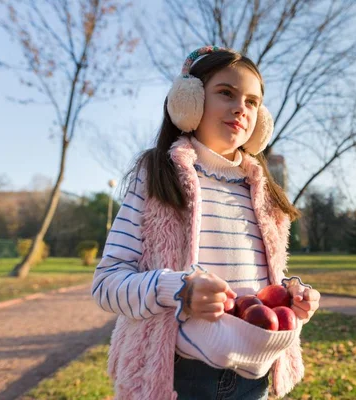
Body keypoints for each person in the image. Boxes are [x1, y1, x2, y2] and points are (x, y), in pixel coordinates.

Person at [91, 45, 321, 400]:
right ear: (189, 102)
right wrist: (179, 290)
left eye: (252, 102)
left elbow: (267, 283)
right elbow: (107, 283)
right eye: (226, 93)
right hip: (176, 376)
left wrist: (292, 296)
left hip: (252, 378)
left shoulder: (263, 192)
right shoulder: (156, 176)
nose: (240, 108)